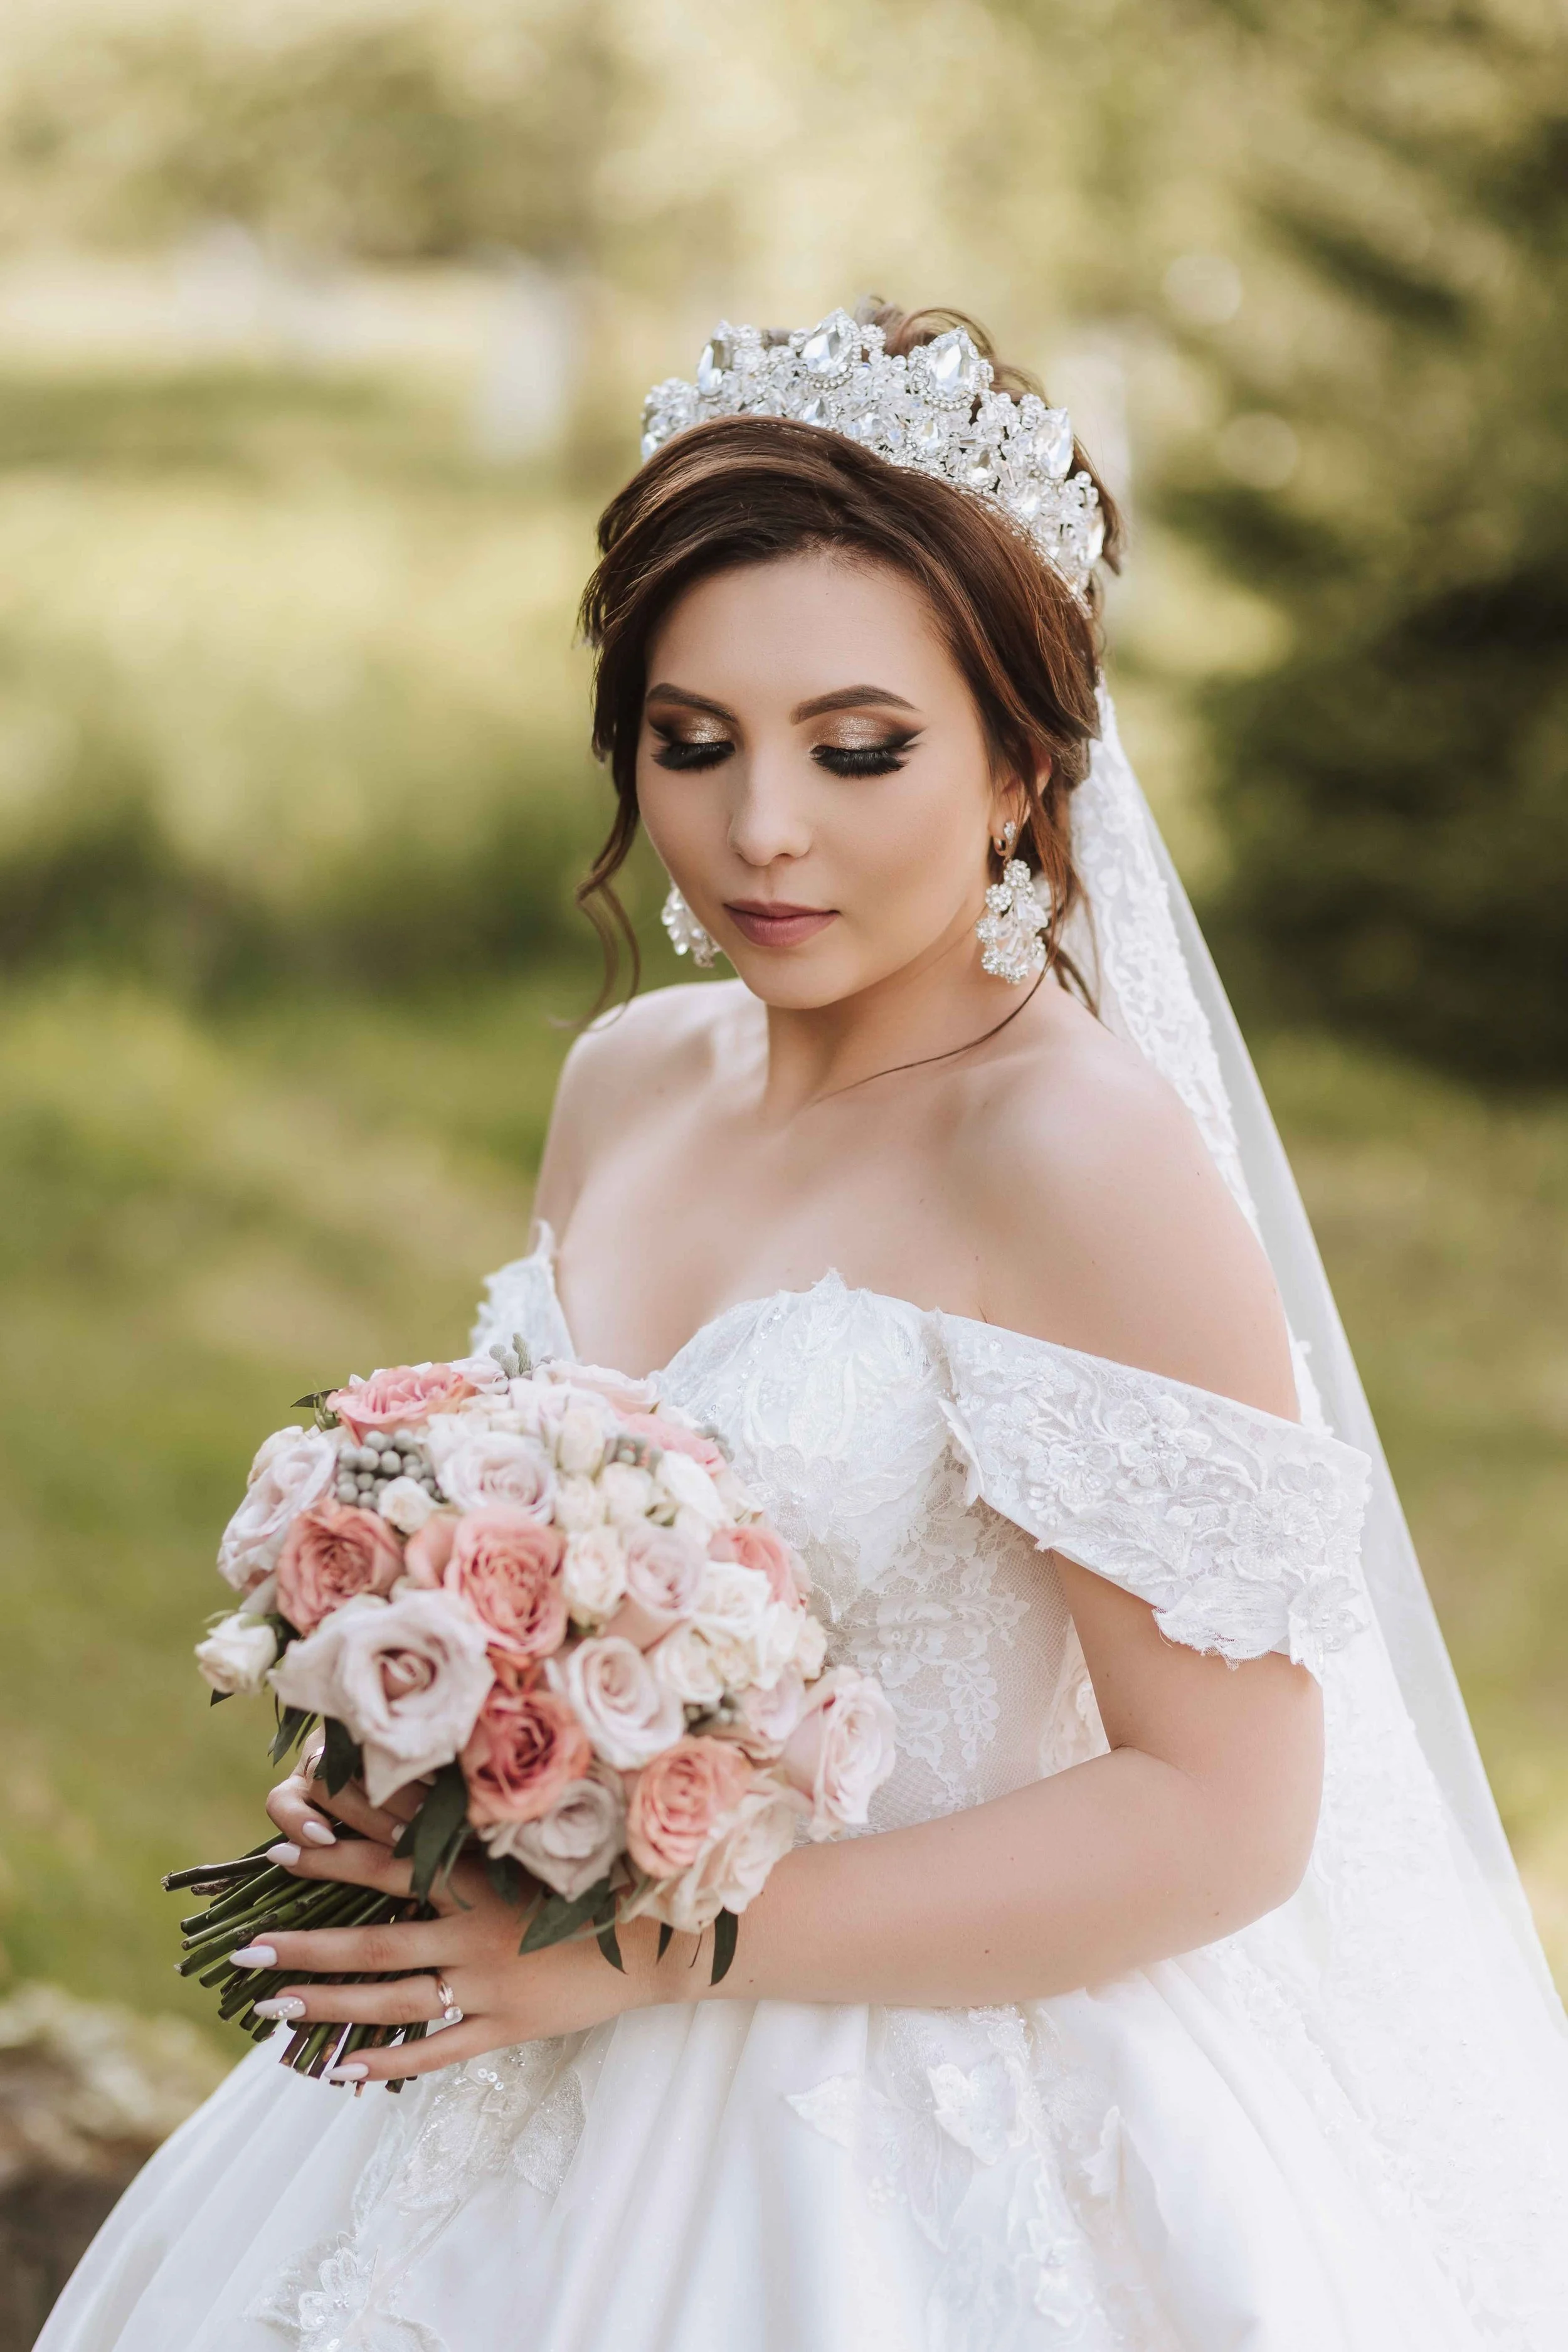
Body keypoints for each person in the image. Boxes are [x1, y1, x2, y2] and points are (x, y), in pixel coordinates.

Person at [39, 304, 1568, 2352]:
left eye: (858, 749)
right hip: (511, 2044)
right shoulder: (630, 1079)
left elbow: (1222, 1810)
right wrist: (427, 1763)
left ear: (1024, 764)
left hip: (909, 2120)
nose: (765, 827)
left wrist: (663, 1943)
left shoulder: (1074, 1156)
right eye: (693, 742)